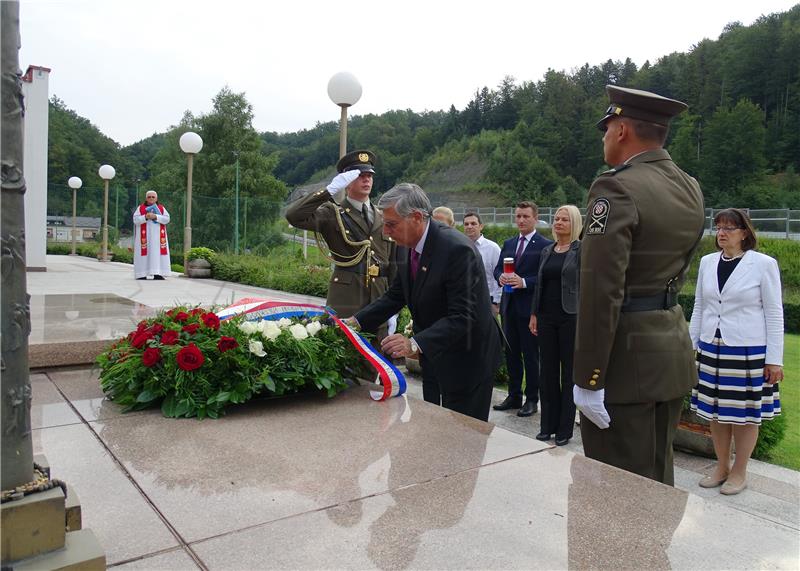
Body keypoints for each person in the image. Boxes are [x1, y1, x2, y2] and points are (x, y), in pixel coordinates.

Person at [572, 85, 705, 486]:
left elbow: (601, 290)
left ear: (622, 130)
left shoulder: (614, 188)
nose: (604, 137)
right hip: (669, 352)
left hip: (624, 365)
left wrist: (588, 378)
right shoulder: (689, 186)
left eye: (607, 128)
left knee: (617, 492)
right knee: (657, 477)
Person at [354, 183, 503, 421]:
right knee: (436, 423)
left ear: (415, 217)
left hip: (469, 354)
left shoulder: (456, 250)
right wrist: (355, 322)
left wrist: (413, 343)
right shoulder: (405, 246)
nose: (386, 232)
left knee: (464, 430)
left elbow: (464, 316)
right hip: (437, 347)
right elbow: (396, 295)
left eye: (392, 224)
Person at [689, 208, 783, 495]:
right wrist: (691, 347)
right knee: (716, 413)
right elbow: (700, 307)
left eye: (730, 227)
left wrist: (774, 360)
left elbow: (774, 313)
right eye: (719, 227)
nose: (722, 232)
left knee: (744, 415)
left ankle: (740, 472)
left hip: (747, 351)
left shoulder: (763, 264)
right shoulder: (707, 262)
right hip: (711, 348)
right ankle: (721, 467)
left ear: (744, 233)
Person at [285, 150, 395, 338]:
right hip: (347, 297)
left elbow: (393, 263)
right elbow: (294, 216)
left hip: (379, 297)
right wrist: (328, 191)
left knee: (378, 358)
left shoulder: (383, 216)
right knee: (347, 356)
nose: (366, 180)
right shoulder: (332, 213)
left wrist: (394, 306)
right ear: (346, 180)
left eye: (369, 175)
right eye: (360, 175)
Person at [529, 205, 582, 446]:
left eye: (565, 220)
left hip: (571, 317)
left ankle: (564, 429)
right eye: (556, 219)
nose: (558, 223)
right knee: (547, 372)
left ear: (575, 224)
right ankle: (546, 425)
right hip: (546, 317)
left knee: (568, 373)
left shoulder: (581, 250)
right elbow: (539, 285)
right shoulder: (547, 250)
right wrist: (534, 314)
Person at [492, 202, 552, 417]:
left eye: (525, 216)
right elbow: (498, 268)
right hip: (509, 307)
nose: (521, 220)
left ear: (535, 218)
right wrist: (500, 276)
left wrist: (524, 282)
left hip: (530, 310)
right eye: (518, 216)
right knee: (512, 354)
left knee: (530, 355)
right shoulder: (508, 243)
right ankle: (514, 395)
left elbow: (547, 278)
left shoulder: (545, 245)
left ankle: (532, 399)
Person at [463, 212, 502, 315]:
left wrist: (496, 302)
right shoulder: (460, 247)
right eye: (466, 224)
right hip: (465, 301)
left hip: (487, 300)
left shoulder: (493, 248)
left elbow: (498, 275)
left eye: (473, 223)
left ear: (481, 226)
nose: (469, 226)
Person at [132, 190, 171, 280]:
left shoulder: (161, 208)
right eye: (149, 197)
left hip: (158, 239)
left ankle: (158, 273)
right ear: (146, 198)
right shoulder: (140, 208)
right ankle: (142, 274)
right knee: (143, 255)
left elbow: (167, 219)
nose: (151, 198)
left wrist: (156, 217)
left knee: (157, 254)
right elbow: (135, 220)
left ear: (156, 198)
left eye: (153, 197)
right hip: (144, 239)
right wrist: (145, 217)